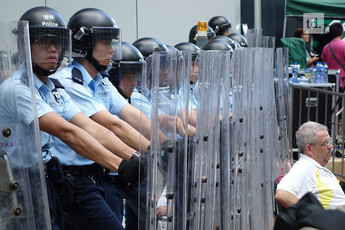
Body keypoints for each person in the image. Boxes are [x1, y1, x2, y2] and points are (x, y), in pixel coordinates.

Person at [17, 6, 144, 230]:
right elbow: (72, 132)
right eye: (45, 42)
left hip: (85, 175)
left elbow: (95, 127)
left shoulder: (55, 87)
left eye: (58, 42)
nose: (54, 49)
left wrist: (141, 156)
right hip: (40, 182)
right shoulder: (42, 85)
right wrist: (127, 162)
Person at [275, 121, 345, 210]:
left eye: (330, 141)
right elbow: (282, 195)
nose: (331, 146)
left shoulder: (314, 166)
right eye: (325, 143)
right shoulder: (304, 167)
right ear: (309, 148)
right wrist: (312, 215)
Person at [321, 22, 345, 88]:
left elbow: (324, 64)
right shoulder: (344, 45)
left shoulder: (326, 47)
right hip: (342, 82)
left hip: (329, 82)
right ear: (342, 33)